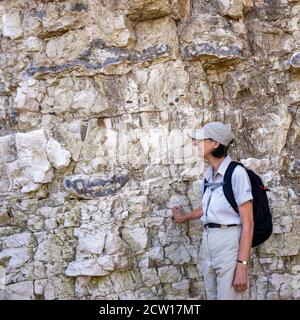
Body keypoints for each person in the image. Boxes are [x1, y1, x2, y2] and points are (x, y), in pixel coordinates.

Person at [172, 122, 254, 300]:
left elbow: (248, 223)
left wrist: (242, 265)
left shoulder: (237, 173)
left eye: (200, 140)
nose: (195, 143)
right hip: (208, 240)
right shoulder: (209, 174)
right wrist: (185, 217)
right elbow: (208, 207)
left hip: (229, 240)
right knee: (211, 295)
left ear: (215, 143)